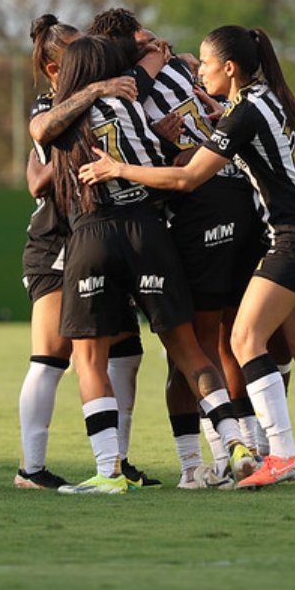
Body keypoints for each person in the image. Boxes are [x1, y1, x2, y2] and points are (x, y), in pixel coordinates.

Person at [79, 25, 295, 491]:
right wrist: (221, 123)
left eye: (207, 62)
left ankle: (280, 454)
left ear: (230, 68)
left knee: (243, 338)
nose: (200, 71)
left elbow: (186, 180)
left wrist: (118, 168)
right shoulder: (270, 99)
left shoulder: (244, 112)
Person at [86, 7, 284, 489]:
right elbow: (161, 157)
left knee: (228, 340)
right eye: (145, 37)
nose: (156, 41)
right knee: (217, 341)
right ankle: (228, 456)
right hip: (218, 204)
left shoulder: (161, 73)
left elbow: (177, 150)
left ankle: (235, 455)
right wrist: (161, 142)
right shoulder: (146, 79)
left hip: (220, 201)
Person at [50, 34, 255, 495]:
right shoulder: (132, 110)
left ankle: (109, 472)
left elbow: (41, 142)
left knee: (89, 358)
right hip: (149, 232)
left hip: (95, 232)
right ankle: (236, 444)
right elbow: (161, 170)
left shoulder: (60, 117)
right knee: (187, 350)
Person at [13, 16, 159, 492]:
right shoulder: (49, 105)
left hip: (101, 236)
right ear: (56, 69)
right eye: (78, 55)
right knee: (52, 356)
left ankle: (118, 462)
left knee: (125, 352)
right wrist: (94, 93)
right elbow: (37, 179)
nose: (90, 63)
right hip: (57, 244)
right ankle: (30, 469)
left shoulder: (106, 97)